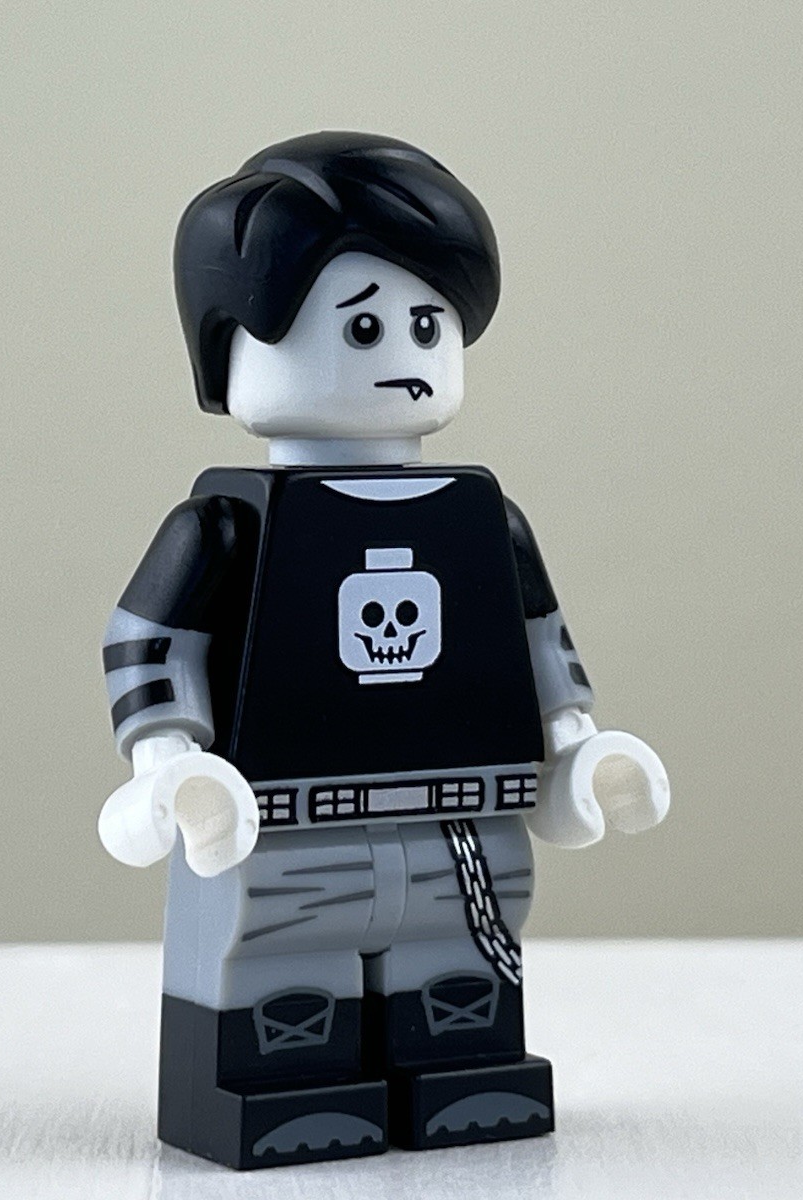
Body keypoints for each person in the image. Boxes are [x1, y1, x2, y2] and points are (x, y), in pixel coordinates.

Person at [97, 131, 669, 1170]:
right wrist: (166, 761)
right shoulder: (227, 527)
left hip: (464, 812)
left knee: (460, 950)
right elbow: (148, 640)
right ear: (230, 345)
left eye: (426, 322)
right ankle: (281, 1089)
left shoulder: (483, 521)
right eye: (361, 325)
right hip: (279, 817)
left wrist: (575, 745)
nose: (402, 354)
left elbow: (539, 641)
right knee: (284, 955)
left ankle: (462, 1072)